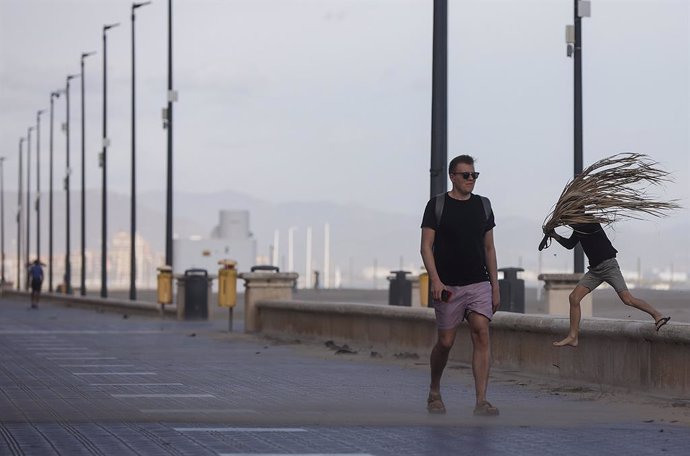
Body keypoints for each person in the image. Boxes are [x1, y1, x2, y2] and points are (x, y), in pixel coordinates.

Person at [420, 154, 500, 416]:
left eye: (473, 175)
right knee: (445, 342)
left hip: (478, 282)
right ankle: (434, 390)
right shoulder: (437, 205)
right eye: (465, 175)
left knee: (481, 331)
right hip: (448, 286)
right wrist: (436, 280)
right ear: (452, 176)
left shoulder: (484, 206)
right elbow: (426, 247)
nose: (470, 180)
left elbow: (489, 248)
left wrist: (495, 286)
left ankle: (481, 400)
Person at [545, 223, 670, 347]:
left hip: (609, 266)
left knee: (628, 299)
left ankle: (657, 316)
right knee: (574, 298)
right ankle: (573, 337)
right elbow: (570, 244)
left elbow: (582, 226)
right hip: (594, 271)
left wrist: (561, 221)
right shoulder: (578, 227)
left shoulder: (590, 222)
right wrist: (554, 235)